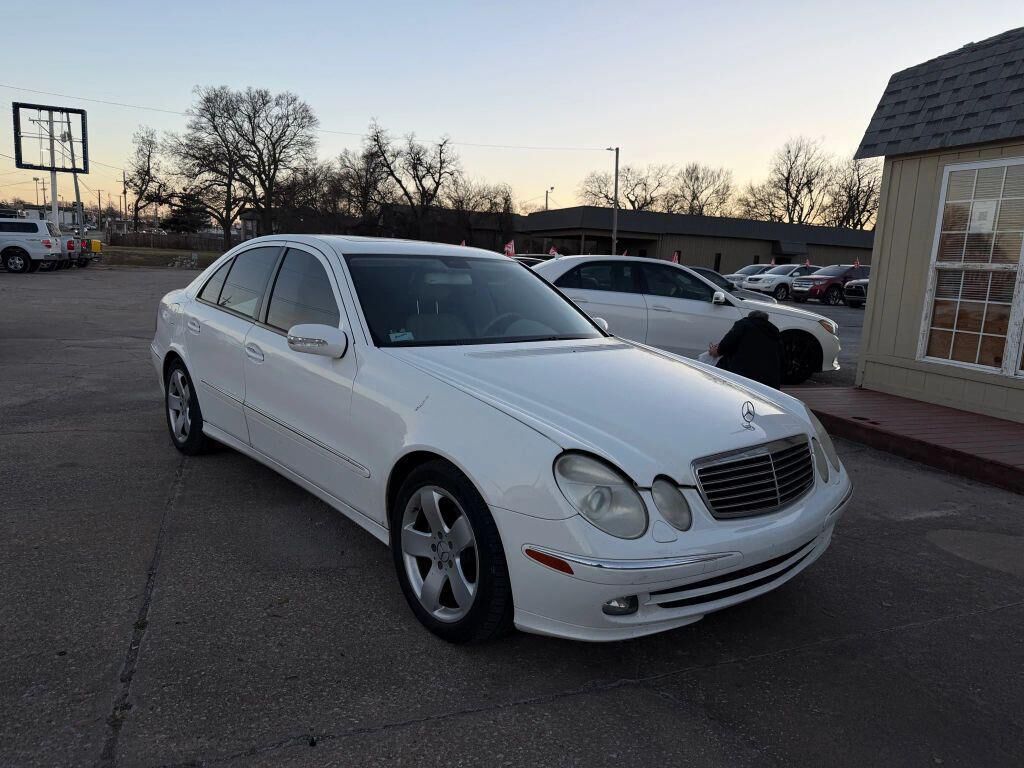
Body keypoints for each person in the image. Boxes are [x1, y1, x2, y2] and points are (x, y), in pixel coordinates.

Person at [708, 310, 784, 389]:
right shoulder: (774, 332)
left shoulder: (744, 324)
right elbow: (782, 358)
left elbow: (728, 342)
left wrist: (717, 351)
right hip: (769, 381)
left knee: (722, 366)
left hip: (742, 375)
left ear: (750, 317)